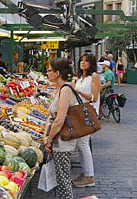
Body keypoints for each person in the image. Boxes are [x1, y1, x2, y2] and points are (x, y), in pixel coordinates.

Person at [44, 58, 76, 199]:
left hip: (62, 141)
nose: (47, 73)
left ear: (57, 73)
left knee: (63, 180)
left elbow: (59, 120)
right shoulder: (59, 90)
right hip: (57, 140)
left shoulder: (66, 90)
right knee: (61, 178)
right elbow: (51, 117)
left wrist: (49, 139)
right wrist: (46, 137)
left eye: (49, 70)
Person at [72, 54, 101, 188]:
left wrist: (77, 90)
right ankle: (85, 173)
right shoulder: (81, 77)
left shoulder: (94, 77)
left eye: (86, 61)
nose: (83, 63)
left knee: (83, 144)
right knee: (80, 145)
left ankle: (90, 177)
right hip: (79, 113)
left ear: (91, 64)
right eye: (81, 61)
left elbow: (94, 98)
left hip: (87, 114)